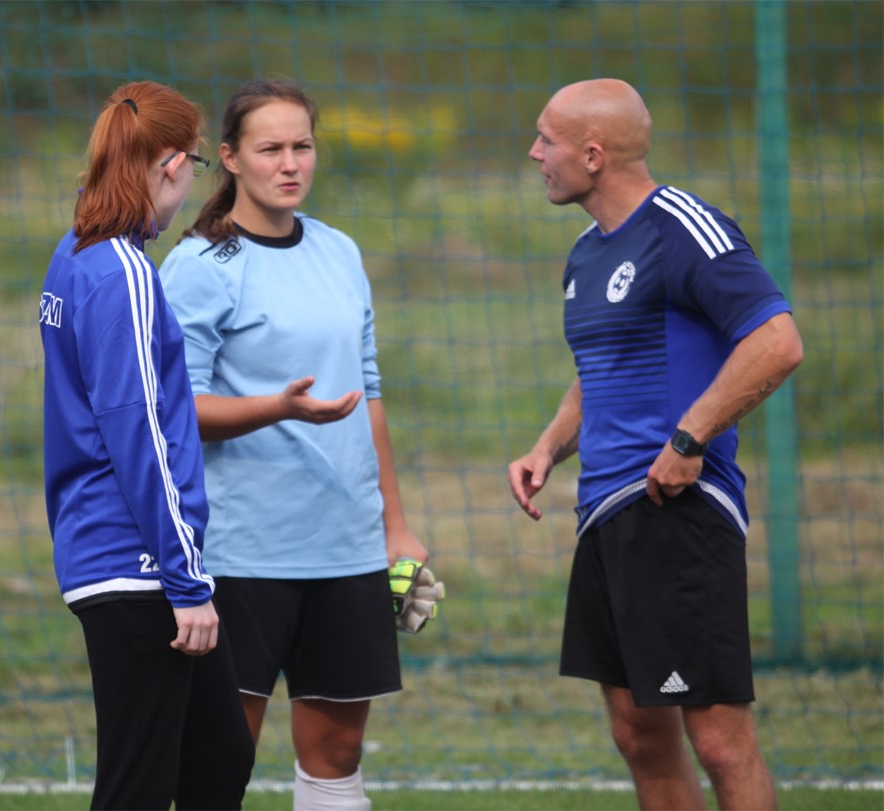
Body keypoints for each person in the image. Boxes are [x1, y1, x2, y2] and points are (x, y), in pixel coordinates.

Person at [507, 78, 802, 810]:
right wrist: (548, 447)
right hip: (606, 515)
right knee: (639, 733)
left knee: (720, 740)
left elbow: (776, 342)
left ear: (594, 155)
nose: (535, 152)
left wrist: (689, 439)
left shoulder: (685, 228)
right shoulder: (586, 252)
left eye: (547, 138)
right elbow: (600, 372)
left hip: (679, 510)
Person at [159, 78, 441, 811]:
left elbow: (368, 389)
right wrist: (277, 409)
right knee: (222, 756)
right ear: (230, 159)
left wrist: (394, 527)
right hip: (242, 550)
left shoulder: (339, 251)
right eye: (270, 149)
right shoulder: (198, 265)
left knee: (338, 756)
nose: (290, 164)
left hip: (345, 546)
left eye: (302, 146)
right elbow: (175, 410)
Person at [39, 80, 255, 810]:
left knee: (219, 755)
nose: (193, 185)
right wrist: (186, 581)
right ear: (170, 164)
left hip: (123, 556)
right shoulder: (123, 272)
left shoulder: (75, 252)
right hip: (137, 565)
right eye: (197, 165)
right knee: (137, 786)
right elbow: (142, 435)